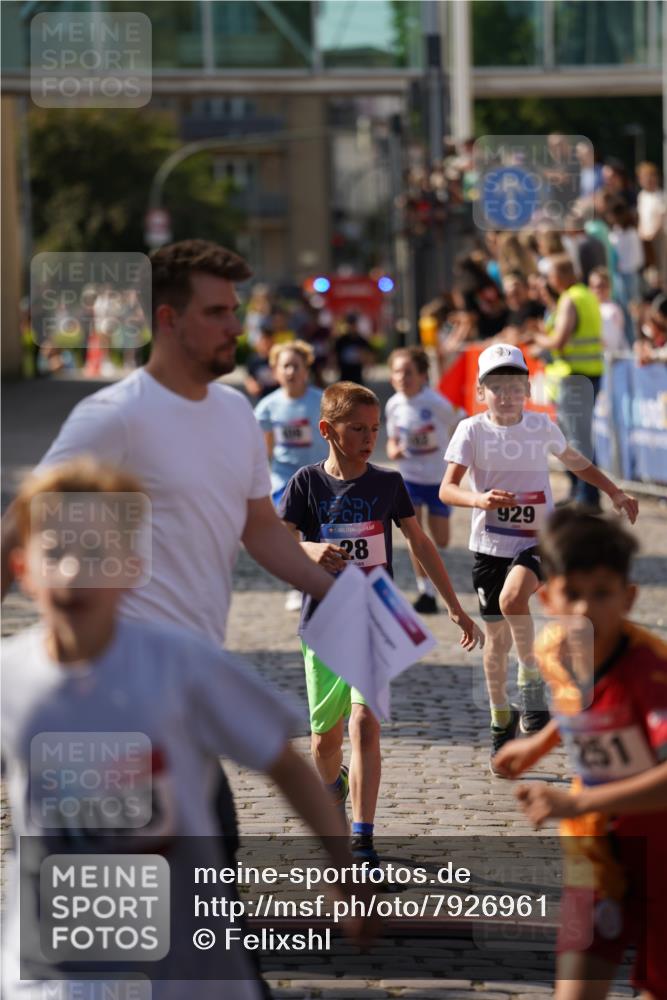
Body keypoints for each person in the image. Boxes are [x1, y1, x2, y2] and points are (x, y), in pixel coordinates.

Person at [0, 240, 336, 972]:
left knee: (197, 895)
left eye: (234, 313)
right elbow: (27, 522)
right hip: (112, 702)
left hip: (187, 687)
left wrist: (344, 597)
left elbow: (260, 530)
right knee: (125, 930)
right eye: (216, 314)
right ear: (168, 318)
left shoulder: (234, 413)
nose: (233, 328)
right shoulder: (115, 415)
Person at [1, 458, 371, 1000]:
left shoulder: (181, 665)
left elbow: (283, 762)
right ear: (23, 570)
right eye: (55, 553)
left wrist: (343, 869)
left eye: (95, 554)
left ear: (130, 567)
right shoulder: (10, 676)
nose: (75, 572)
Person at [279, 381, 482, 866]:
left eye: (375, 429)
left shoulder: (388, 483)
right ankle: (333, 784)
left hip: (375, 615)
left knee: (365, 723)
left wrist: (453, 603)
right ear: (328, 430)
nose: (370, 437)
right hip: (324, 620)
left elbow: (419, 543)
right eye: (357, 429)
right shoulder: (306, 483)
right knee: (325, 740)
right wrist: (309, 548)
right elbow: (278, 540)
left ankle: (362, 837)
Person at [439, 343, 638, 774]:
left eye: (515, 387)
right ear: (480, 391)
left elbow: (578, 463)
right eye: (497, 388)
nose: (507, 396)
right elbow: (446, 489)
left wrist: (614, 491)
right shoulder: (470, 431)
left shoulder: (541, 426)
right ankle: (500, 719)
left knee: (515, 600)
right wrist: (478, 499)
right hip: (489, 545)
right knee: (495, 645)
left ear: (527, 388)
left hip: (537, 540)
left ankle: (530, 679)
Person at [493, 509, 667, 1000]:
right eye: (573, 594)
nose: (586, 609)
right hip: (593, 856)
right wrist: (536, 743)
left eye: (603, 593)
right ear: (546, 598)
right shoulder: (551, 651)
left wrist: (579, 803)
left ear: (628, 597)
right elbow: (578, 710)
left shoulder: (651, 673)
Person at [254, 339, 329, 610]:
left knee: (318, 533)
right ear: (275, 371)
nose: (290, 372)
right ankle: (296, 586)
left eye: (296, 366)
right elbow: (263, 447)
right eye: (285, 366)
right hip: (284, 478)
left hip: (319, 477)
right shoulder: (268, 406)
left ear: (306, 369)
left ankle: (323, 581)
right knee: (288, 531)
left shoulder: (322, 400)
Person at [385, 346, 457, 614]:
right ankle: (425, 591)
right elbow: (393, 437)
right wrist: (392, 449)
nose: (402, 378)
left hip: (437, 479)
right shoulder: (393, 404)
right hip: (408, 478)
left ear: (423, 375)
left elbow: (459, 423)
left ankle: (434, 576)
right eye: (397, 372)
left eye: (408, 372)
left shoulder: (436, 403)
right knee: (415, 536)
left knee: (441, 539)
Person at [534, 254, 605, 509]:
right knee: (574, 437)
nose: (550, 281)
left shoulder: (570, 298)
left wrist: (538, 339)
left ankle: (587, 496)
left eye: (551, 276)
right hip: (589, 372)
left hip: (575, 376)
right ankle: (580, 493)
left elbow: (558, 341)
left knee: (575, 440)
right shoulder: (586, 295)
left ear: (561, 275)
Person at [588, 267, 628, 353]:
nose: (600, 290)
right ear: (590, 288)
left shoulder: (614, 310)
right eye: (597, 286)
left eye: (604, 286)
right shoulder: (587, 309)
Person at [333, 312, 374, 385]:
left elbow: (369, 353)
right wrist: (334, 367)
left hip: (357, 373)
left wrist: (368, 366)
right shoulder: (341, 340)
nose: (352, 327)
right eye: (350, 324)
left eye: (353, 324)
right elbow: (335, 354)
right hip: (344, 372)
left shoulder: (361, 340)